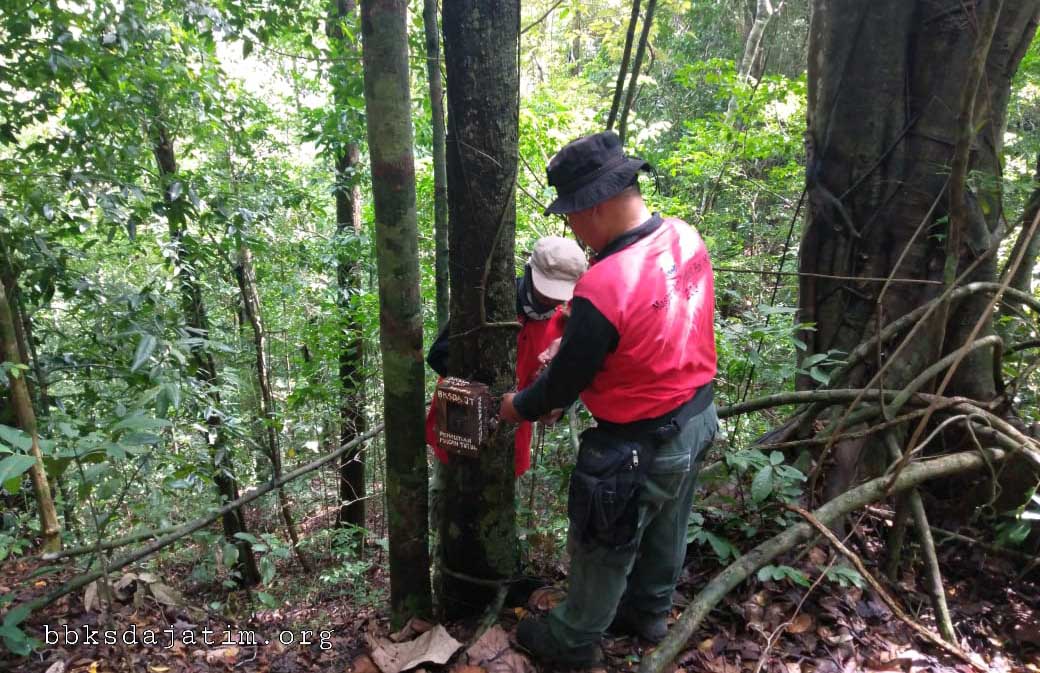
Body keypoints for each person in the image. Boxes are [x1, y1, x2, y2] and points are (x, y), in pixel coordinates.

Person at [498, 130, 718, 668]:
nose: (571, 226)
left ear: (594, 207)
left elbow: (561, 387)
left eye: (571, 215)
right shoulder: (685, 237)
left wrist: (516, 406)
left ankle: (571, 642)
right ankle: (648, 613)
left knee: (604, 545)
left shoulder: (603, 284)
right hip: (697, 416)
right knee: (667, 523)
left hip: (638, 443)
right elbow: (659, 318)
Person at [426, 235, 587, 476]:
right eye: (546, 291)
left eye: (559, 293)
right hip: (458, 427)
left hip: (511, 439)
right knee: (449, 498)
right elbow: (438, 354)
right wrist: (483, 392)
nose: (552, 299)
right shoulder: (491, 301)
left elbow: (568, 380)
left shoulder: (566, 322)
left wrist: (556, 408)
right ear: (530, 271)